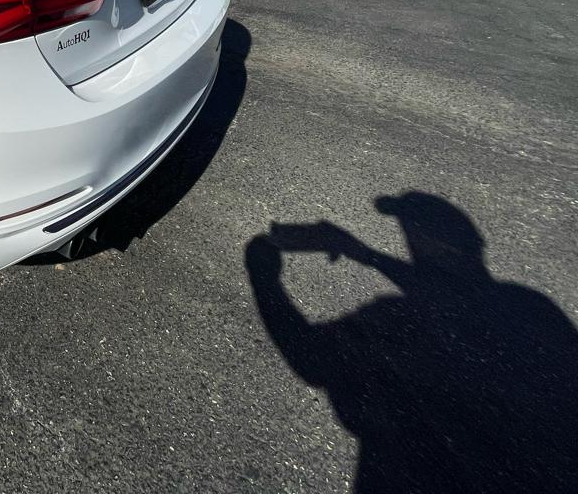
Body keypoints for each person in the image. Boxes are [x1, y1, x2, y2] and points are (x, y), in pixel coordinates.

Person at [246, 192, 578, 493]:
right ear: (476, 243)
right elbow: (453, 295)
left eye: (413, 231)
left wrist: (263, 276)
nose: (407, 239)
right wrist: (363, 253)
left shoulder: (396, 323)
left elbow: (309, 357)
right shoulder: (530, 308)